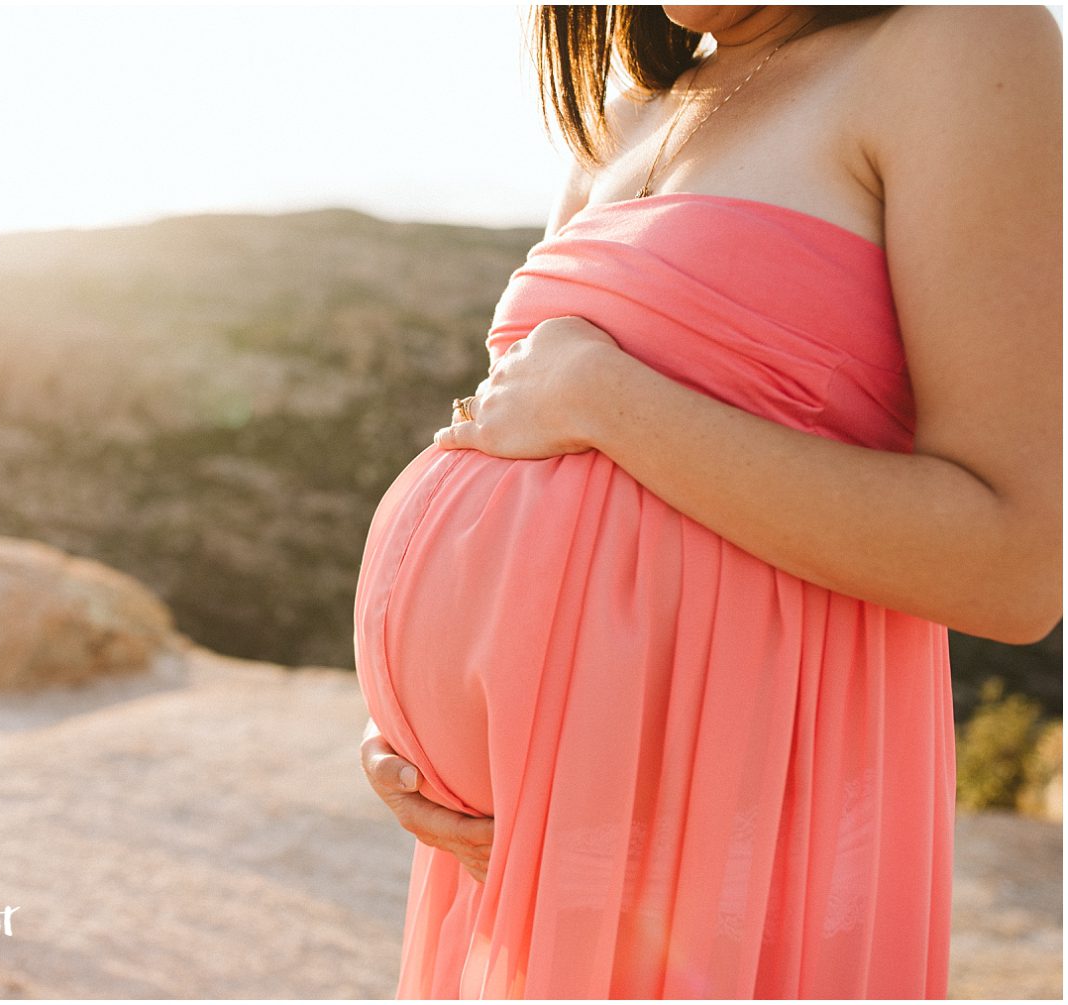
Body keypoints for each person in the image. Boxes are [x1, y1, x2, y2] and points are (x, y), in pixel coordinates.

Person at [351, 4, 1061, 998]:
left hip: (743, 815)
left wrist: (611, 400)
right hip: (527, 842)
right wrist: (412, 735)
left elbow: (1015, 566)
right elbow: (516, 418)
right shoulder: (632, 109)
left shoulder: (963, 41)